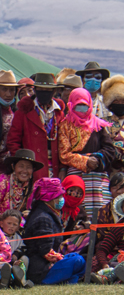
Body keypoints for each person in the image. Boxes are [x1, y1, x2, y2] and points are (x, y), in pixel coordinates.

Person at [59, 87, 115, 217]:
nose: (82, 110)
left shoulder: (98, 125)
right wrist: (86, 161)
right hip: (76, 177)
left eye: (85, 106)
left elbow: (110, 149)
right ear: (71, 105)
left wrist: (97, 158)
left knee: (101, 212)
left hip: (97, 176)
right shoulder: (65, 125)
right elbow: (64, 155)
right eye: (78, 106)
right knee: (79, 211)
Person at [23, 178, 86, 285]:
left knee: (74, 257)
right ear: (49, 198)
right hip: (41, 269)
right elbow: (45, 251)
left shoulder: (45, 214)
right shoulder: (43, 218)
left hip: (46, 263)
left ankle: (69, 281)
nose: (62, 199)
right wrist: (60, 258)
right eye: (59, 196)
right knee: (77, 260)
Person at [6, 73, 65, 180]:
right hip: (33, 166)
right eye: (40, 90)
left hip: (55, 166)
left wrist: (63, 168)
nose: (44, 93)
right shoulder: (24, 112)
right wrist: (23, 164)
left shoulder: (58, 113)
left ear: (54, 91)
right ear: (35, 90)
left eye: (48, 90)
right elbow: (13, 141)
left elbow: (64, 142)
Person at [0, 149, 42, 217]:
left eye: (28, 167)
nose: (24, 171)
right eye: (21, 166)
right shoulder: (0, 181)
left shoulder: (28, 186)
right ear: (13, 166)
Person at [0, 71, 21, 165]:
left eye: (11, 90)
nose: (8, 94)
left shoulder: (17, 113)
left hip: (13, 163)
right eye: (4, 89)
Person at [95, 172, 124, 244]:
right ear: (110, 190)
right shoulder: (103, 210)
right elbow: (102, 234)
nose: (118, 191)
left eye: (121, 188)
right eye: (114, 188)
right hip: (110, 246)